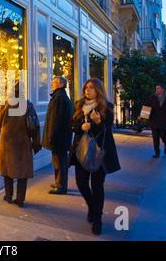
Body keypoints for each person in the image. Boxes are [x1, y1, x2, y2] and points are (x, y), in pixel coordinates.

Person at [68, 78, 121, 235]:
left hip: (99, 153)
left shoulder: (107, 108)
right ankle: (92, 206)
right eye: (86, 88)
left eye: (91, 88)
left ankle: (97, 219)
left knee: (97, 186)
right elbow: (70, 124)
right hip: (81, 150)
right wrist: (80, 126)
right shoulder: (78, 106)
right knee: (81, 183)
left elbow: (107, 131)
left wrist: (98, 123)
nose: (87, 90)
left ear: (98, 90)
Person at [0, 79, 39, 207]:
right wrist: (36, 144)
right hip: (23, 142)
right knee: (22, 173)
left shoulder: (5, 104)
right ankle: (20, 199)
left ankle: (8, 195)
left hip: (7, 142)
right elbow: (35, 125)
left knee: (7, 170)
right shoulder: (27, 104)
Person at [41, 76, 72, 195]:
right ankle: (60, 183)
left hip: (58, 138)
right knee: (61, 161)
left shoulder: (59, 98)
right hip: (62, 137)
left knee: (58, 162)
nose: (50, 85)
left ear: (60, 84)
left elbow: (56, 120)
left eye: (53, 83)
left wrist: (51, 137)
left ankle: (61, 186)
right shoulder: (62, 97)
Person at [138, 83, 166, 158]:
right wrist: (141, 115)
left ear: (162, 89)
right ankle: (157, 152)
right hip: (154, 119)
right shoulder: (152, 97)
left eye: (158, 88)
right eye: (156, 88)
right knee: (155, 137)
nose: (156, 90)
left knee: (163, 135)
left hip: (164, 120)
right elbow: (145, 105)